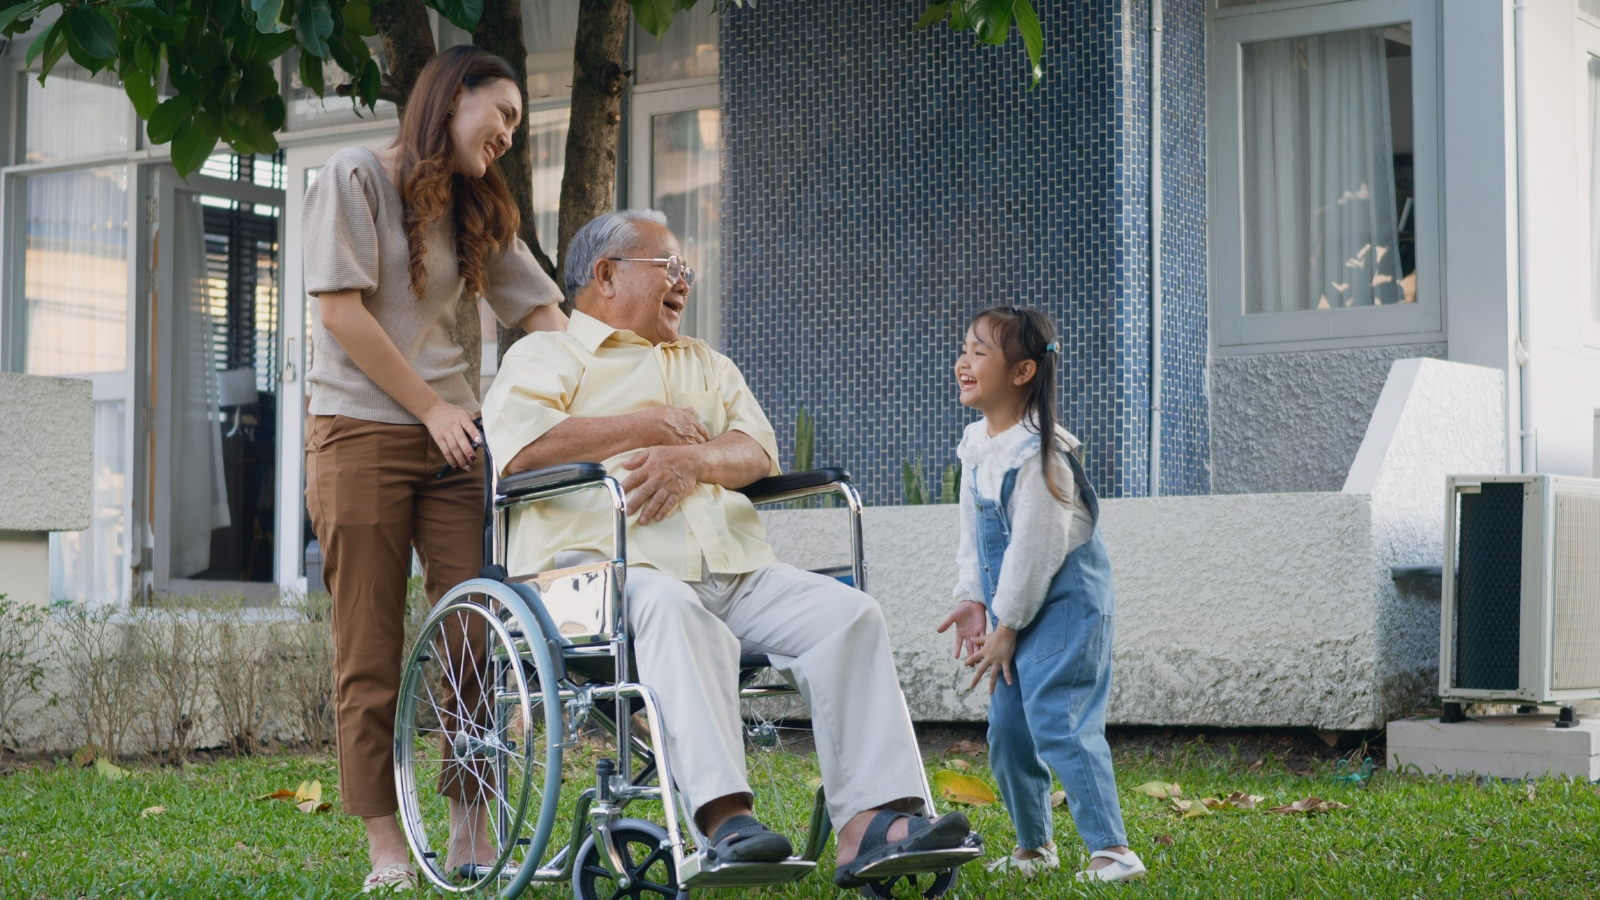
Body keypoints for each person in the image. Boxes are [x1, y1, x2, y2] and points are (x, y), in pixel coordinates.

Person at [481, 209, 972, 887]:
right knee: (678, 614)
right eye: (669, 267)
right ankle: (725, 821)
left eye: (687, 269)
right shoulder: (546, 355)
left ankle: (874, 825)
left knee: (849, 615)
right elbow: (522, 452)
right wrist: (644, 424)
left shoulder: (705, 363)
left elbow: (756, 449)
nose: (685, 280)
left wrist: (694, 463)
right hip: (600, 582)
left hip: (733, 569)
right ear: (605, 275)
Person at [301, 46, 568, 893]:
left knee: (474, 637)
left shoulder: (475, 205)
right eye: (505, 116)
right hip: (361, 434)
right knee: (369, 647)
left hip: (457, 445)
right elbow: (341, 312)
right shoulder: (353, 177)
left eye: (518, 126)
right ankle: (386, 845)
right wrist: (431, 407)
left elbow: (546, 315)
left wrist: (634, 366)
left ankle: (467, 823)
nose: (509, 137)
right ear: (453, 99)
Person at [936, 307, 1147, 883]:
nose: (963, 361)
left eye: (980, 352)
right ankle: (1036, 847)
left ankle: (1113, 852)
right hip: (1016, 613)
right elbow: (973, 532)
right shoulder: (980, 445)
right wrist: (972, 598)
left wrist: (1005, 628)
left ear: (1024, 370)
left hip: (1065, 608)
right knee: (1008, 729)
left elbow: (1033, 551)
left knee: (1059, 721)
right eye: (964, 349)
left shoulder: (1039, 456)